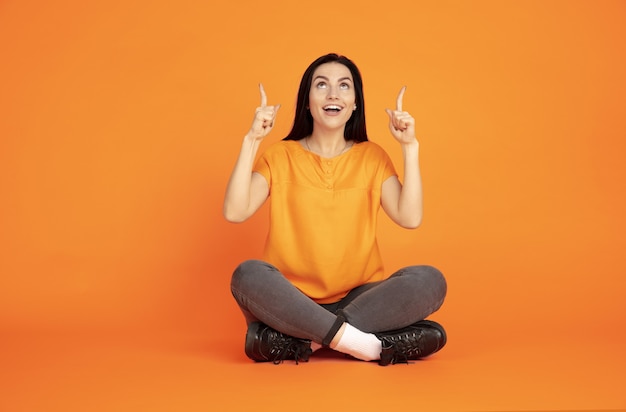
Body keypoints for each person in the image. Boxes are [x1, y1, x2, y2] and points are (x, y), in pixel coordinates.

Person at [223, 53, 447, 366]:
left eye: (344, 86)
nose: (333, 94)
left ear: (355, 103)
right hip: (292, 299)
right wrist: (252, 139)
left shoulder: (373, 157)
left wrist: (410, 148)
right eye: (321, 85)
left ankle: (306, 341)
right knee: (248, 274)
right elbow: (235, 212)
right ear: (307, 101)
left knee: (429, 280)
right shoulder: (280, 155)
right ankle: (367, 345)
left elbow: (410, 218)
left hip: (361, 299)